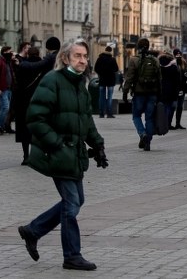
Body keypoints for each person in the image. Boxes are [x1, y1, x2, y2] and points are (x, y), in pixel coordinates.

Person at [18, 39, 107, 272]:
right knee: (71, 204)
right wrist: (55, 144)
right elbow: (35, 118)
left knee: (77, 200)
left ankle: (33, 230)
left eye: (85, 56)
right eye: (78, 56)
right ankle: (72, 255)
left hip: (74, 153)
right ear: (66, 57)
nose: (82, 60)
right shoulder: (52, 80)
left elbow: (86, 120)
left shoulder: (80, 84)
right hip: (60, 152)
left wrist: (98, 145)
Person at [13, 43, 56, 164]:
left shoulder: (22, 66)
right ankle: (37, 155)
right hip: (39, 101)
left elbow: (17, 85)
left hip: (23, 102)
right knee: (39, 128)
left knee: (24, 129)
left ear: (27, 53)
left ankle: (25, 156)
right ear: (38, 54)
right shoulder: (44, 66)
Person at [123, 38, 161, 150]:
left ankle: (142, 134)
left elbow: (129, 78)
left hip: (139, 93)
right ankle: (147, 142)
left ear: (138, 47)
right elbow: (160, 78)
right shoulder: (155, 60)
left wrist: (125, 92)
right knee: (149, 118)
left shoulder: (134, 60)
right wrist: (160, 93)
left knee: (136, 116)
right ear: (148, 47)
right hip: (152, 93)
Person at [0, 46, 15, 134]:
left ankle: (2, 126)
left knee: (5, 108)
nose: (11, 53)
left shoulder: (8, 62)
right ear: (4, 52)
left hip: (8, 88)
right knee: (6, 107)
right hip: (2, 89)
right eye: (9, 51)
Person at [94, 46, 119, 118]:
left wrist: (101, 73)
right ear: (110, 51)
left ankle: (101, 113)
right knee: (110, 97)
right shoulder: (112, 59)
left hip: (102, 80)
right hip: (110, 80)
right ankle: (109, 113)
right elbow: (116, 69)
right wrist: (111, 72)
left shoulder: (100, 58)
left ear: (105, 50)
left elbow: (96, 68)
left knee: (101, 97)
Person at [171, 49, 187, 129]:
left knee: (180, 106)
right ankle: (169, 123)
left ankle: (178, 123)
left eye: (179, 54)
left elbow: (186, 74)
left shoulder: (184, 63)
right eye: (177, 54)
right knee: (173, 105)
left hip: (182, 87)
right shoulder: (172, 63)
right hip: (174, 88)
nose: (178, 55)